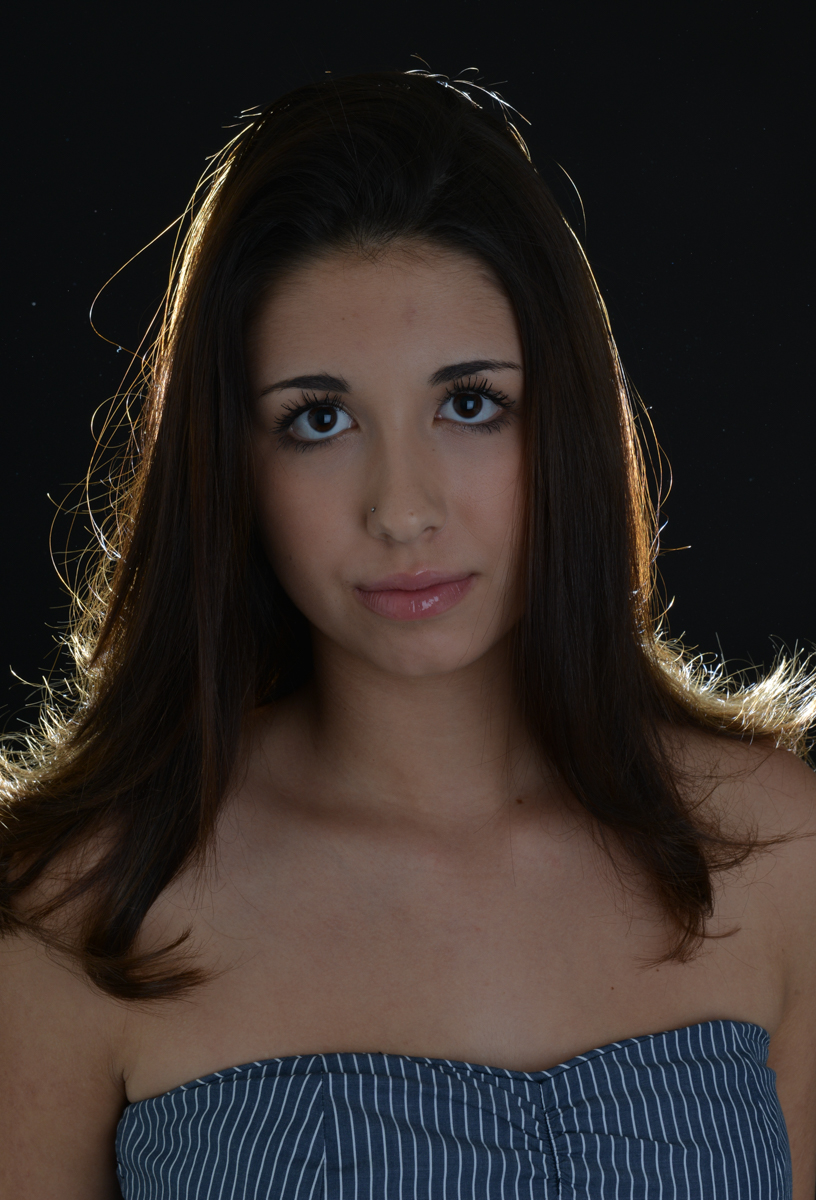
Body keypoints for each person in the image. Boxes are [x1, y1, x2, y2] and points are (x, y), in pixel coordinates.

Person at [1, 69, 815, 1200]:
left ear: (568, 424)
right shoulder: (78, 912)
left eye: (470, 402)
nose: (403, 509)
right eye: (318, 419)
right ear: (231, 466)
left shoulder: (777, 854)